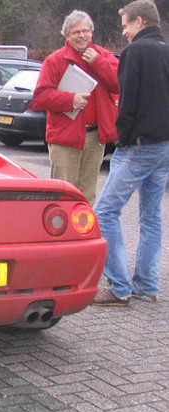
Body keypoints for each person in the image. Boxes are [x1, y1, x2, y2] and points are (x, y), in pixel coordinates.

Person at [92, 0, 169, 306]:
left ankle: (119, 286)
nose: (123, 32)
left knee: (105, 212)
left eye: (125, 26)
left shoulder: (135, 53)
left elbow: (127, 104)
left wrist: (120, 139)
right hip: (164, 147)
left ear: (139, 22)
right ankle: (147, 285)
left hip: (137, 146)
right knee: (151, 217)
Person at [32, 10, 119, 206]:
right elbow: (40, 96)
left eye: (85, 31)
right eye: (76, 32)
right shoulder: (55, 61)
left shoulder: (103, 56)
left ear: (92, 32)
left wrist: (98, 63)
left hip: (96, 138)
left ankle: (83, 234)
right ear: (66, 35)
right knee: (62, 193)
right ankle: (59, 235)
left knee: (87, 194)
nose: (82, 35)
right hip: (65, 139)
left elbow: (118, 84)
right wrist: (70, 100)